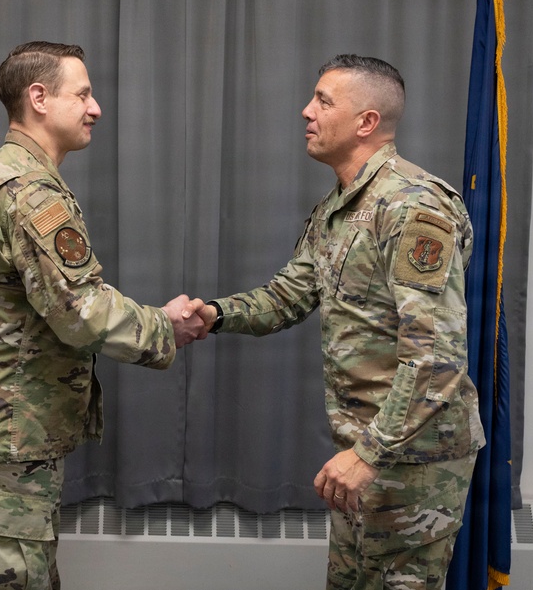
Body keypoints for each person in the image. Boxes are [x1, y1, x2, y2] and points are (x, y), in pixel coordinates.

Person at [196, 55, 486, 590]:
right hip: (361, 454)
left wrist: (369, 454)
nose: (306, 112)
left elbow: (437, 358)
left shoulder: (411, 207)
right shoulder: (341, 208)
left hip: (412, 460)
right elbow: (288, 296)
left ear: (366, 122)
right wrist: (213, 315)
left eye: (323, 101)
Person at [0, 41, 206, 589]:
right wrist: (164, 327)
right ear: (39, 97)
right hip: (0, 442)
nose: (95, 107)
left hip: (5, 437)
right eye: (82, 94)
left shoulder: (21, 177)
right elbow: (81, 310)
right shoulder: (27, 190)